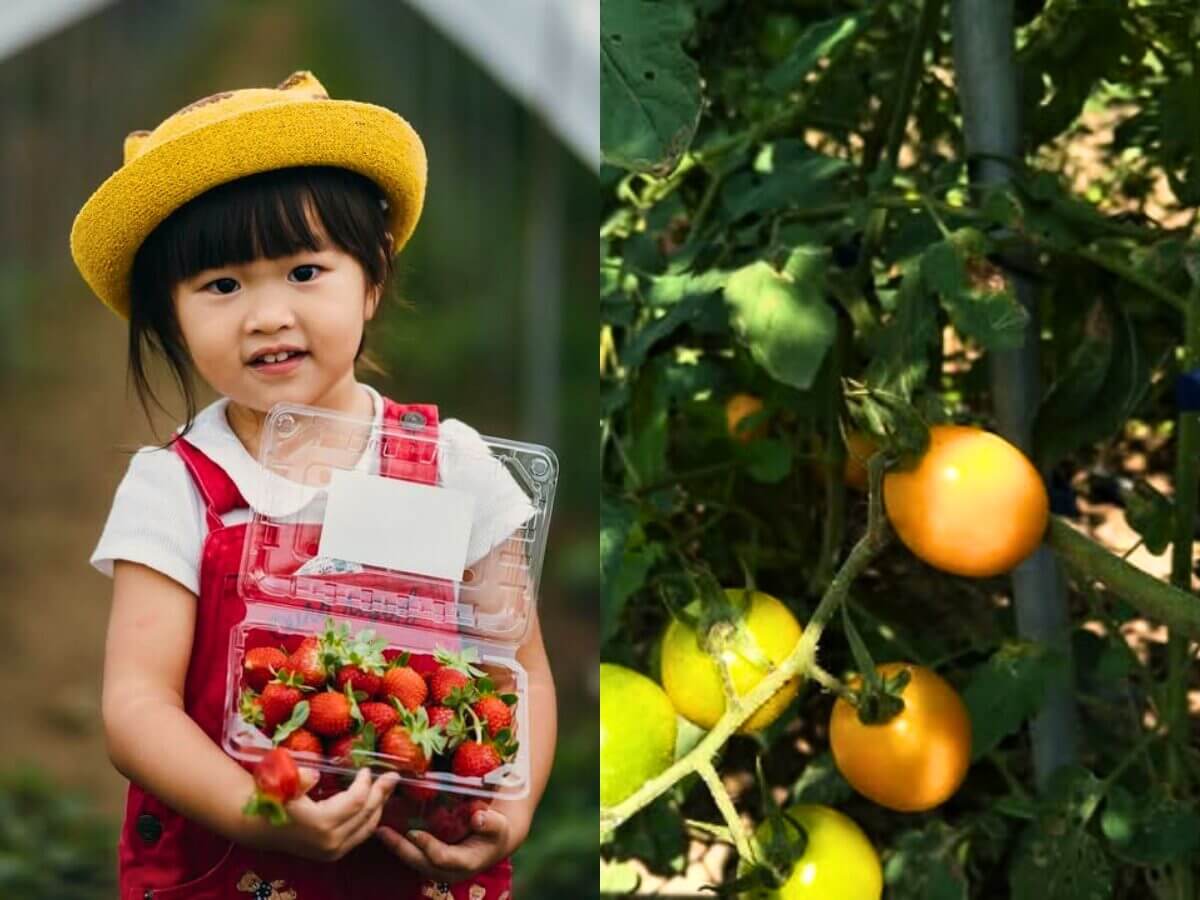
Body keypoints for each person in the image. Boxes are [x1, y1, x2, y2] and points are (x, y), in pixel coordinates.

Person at [71, 70, 556, 900]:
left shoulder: (455, 466)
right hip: (231, 868)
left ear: (371, 281)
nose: (265, 315)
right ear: (171, 318)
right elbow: (136, 705)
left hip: (417, 866)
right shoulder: (176, 489)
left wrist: (508, 806)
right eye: (220, 286)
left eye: (303, 272)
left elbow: (523, 674)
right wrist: (252, 802)